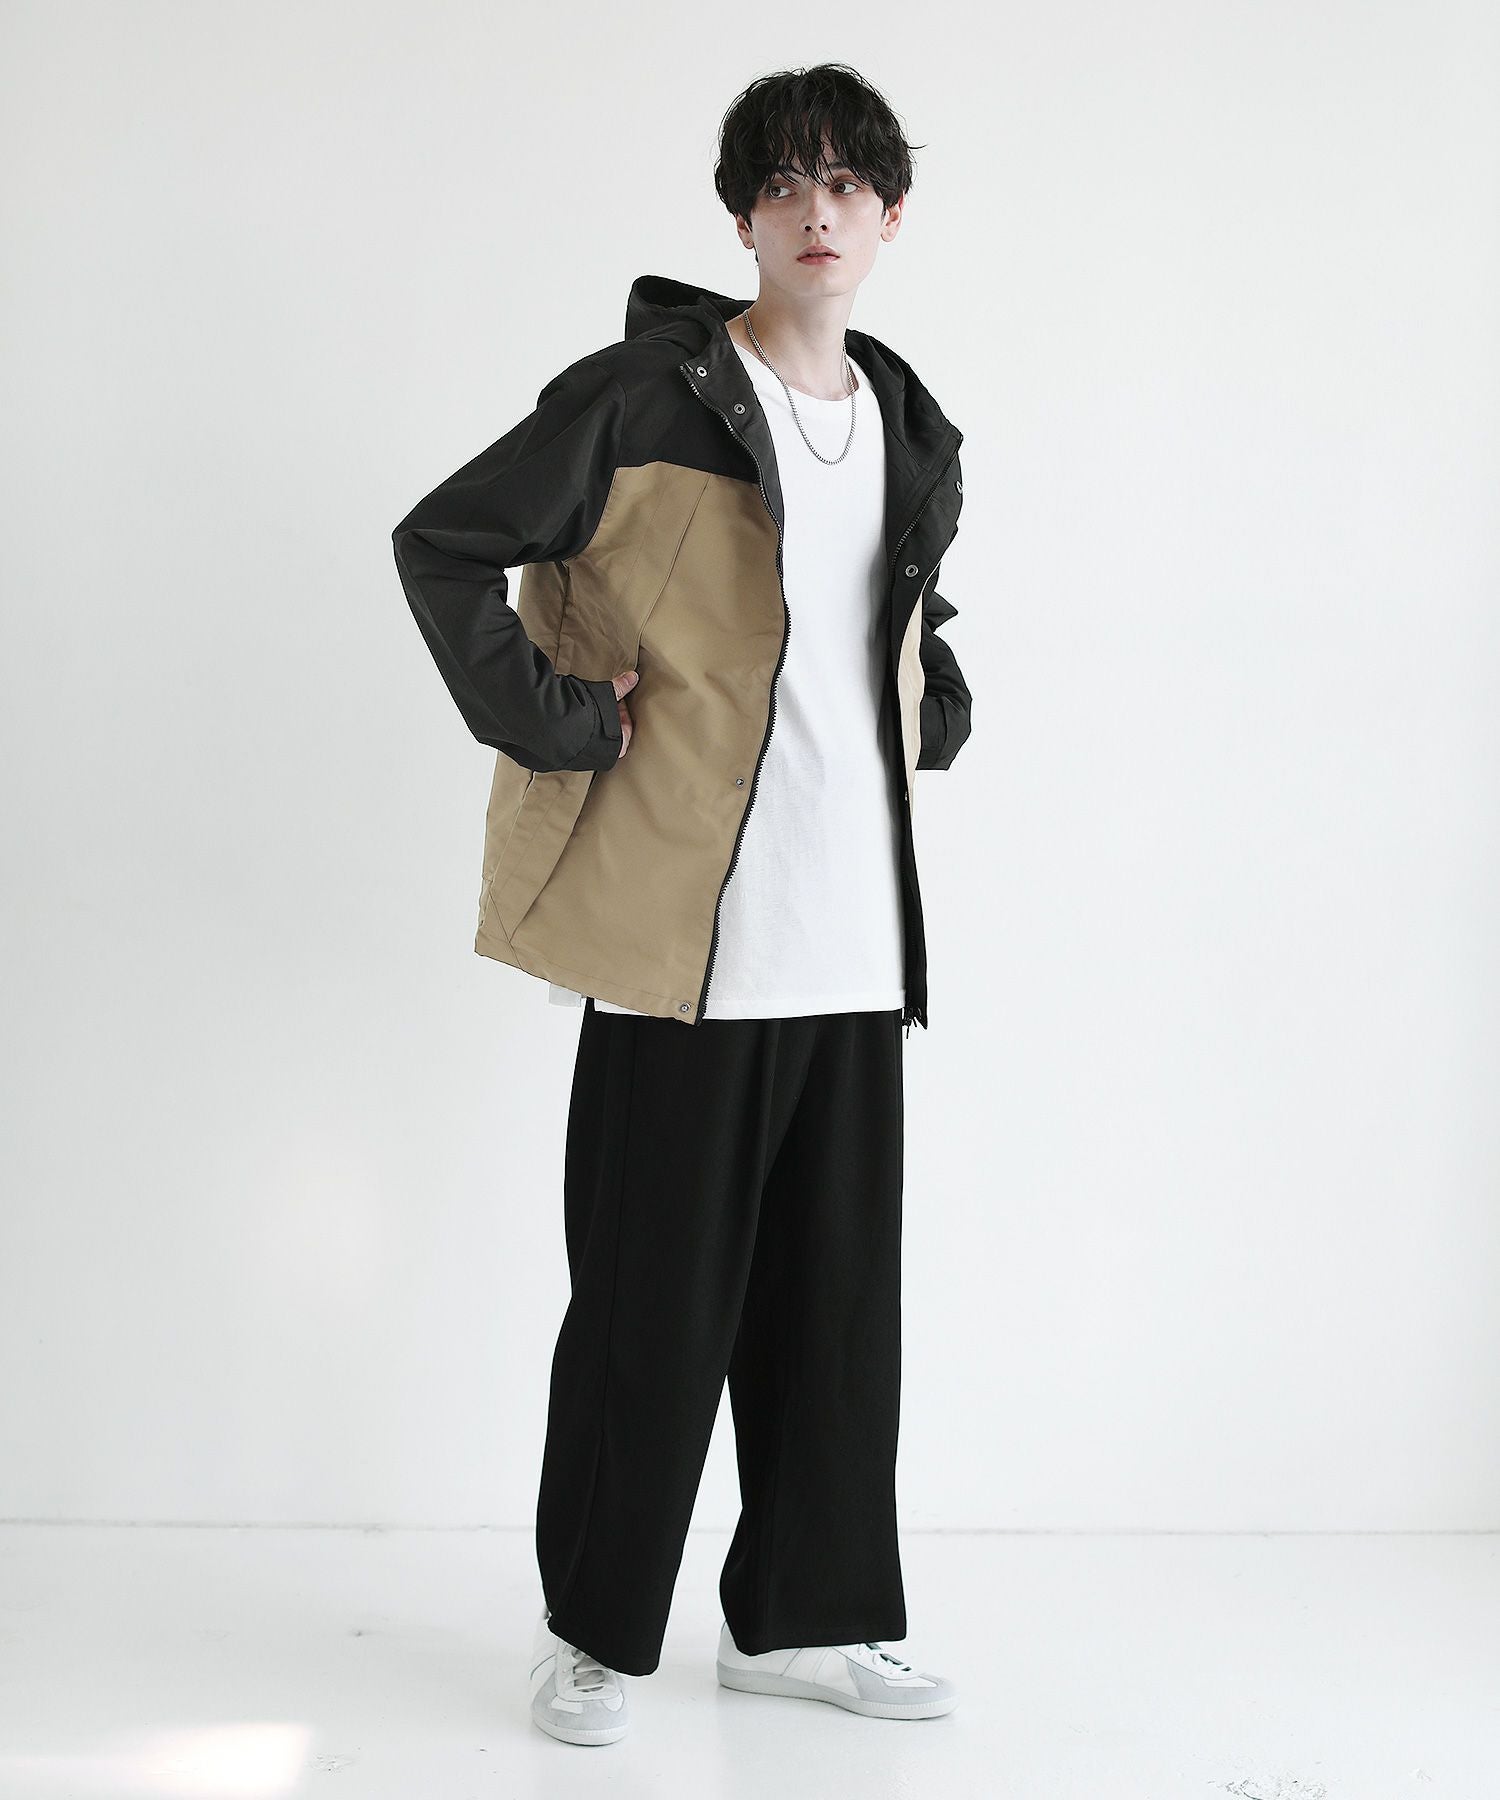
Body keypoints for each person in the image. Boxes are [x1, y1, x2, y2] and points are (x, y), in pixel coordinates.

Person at [391, 62, 972, 1746]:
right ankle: (596, 1632)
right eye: (783, 184)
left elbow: (896, 608)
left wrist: (937, 701)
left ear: (891, 214)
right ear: (741, 218)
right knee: (650, 1307)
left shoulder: (907, 420)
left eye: (846, 184)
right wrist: (559, 716)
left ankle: (806, 1622)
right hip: (685, 942)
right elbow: (445, 541)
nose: (816, 212)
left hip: (852, 934)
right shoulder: (649, 395)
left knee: (836, 1315)